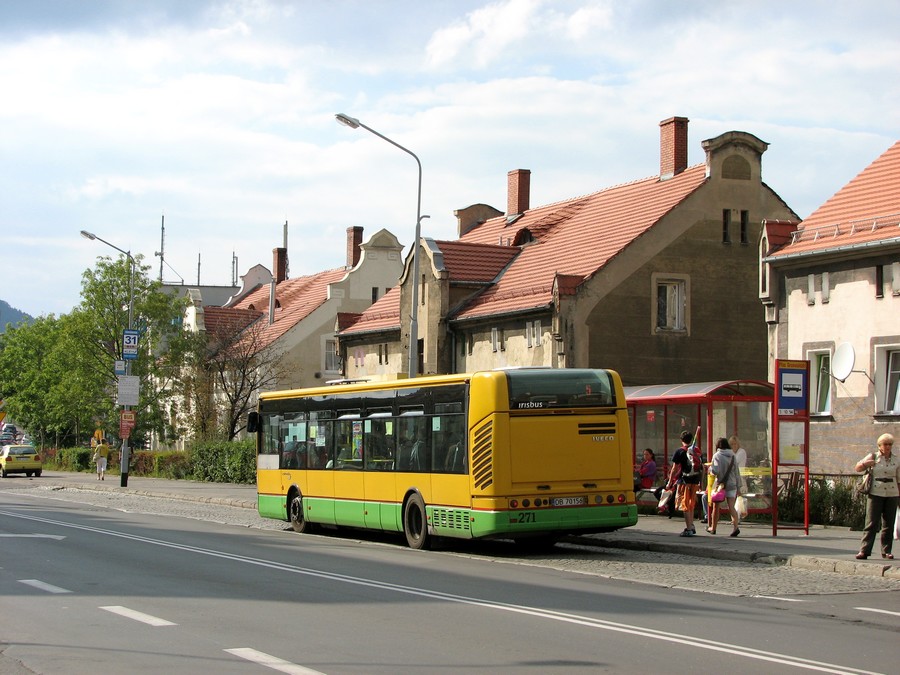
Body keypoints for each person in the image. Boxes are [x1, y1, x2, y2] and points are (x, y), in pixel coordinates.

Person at [854, 433, 899, 560]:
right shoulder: (873, 456)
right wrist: (866, 464)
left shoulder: (896, 459)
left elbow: (899, 478)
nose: (888, 447)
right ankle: (864, 550)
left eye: (890, 444)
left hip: (892, 493)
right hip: (875, 492)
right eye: (885, 444)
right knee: (871, 523)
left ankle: (887, 551)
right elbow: (857, 468)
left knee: (889, 524)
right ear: (879, 446)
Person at [666, 430, 701, 536]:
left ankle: (689, 529)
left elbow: (674, 468)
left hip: (684, 480)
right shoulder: (696, 450)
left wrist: (669, 482)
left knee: (685, 505)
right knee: (691, 504)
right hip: (695, 480)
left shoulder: (679, 451)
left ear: (681, 440)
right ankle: (691, 525)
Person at [708, 437, 741, 536]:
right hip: (732, 484)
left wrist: (709, 468)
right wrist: (739, 486)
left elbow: (715, 471)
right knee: (731, 507)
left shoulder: (717, 455)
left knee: (716, 507)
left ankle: (713, 528)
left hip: (720, 486)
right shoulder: (733, 455)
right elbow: (737, 472)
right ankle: (736, 527)